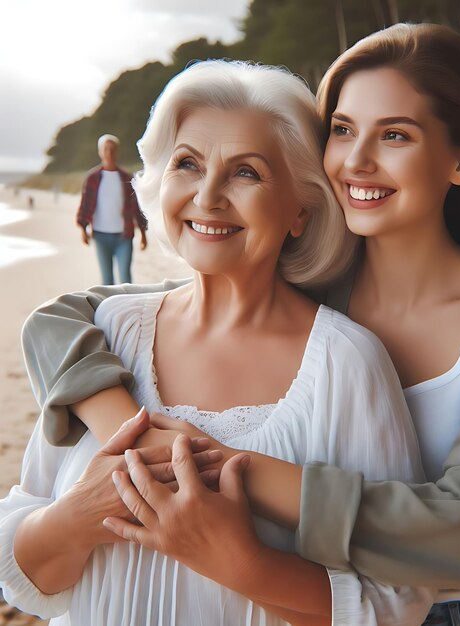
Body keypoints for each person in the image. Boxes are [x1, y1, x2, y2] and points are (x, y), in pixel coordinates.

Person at [13, 23, 460, 626]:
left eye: (395, 134)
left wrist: (216, 464)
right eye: (342, 130)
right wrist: (132, 432)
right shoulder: (313, 283)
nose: (358, 160)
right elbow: (68, 317)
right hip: (316, 597)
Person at [0, 60, 436, 625]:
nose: (208, 196)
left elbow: (398, 602)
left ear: (301, 207)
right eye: (188, 164)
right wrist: (77, 517)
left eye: (246, 173)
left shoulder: (346, 363)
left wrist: (241, 564)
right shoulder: (108, 331)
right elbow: (25, 576)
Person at [77, 134, 148, 284]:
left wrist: (143, 233)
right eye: (106, 149)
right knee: (107, 281)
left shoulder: (126, 178)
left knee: (126, 279)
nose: (109, 152)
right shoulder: (92, 178)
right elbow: (85, 205)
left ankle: (128, 307)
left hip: (125, 236)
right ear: (100, 152)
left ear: (117, 152)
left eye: (112, 149)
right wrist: (83, 229)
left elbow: (136, 207)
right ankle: (110, 308)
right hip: (101, 236)